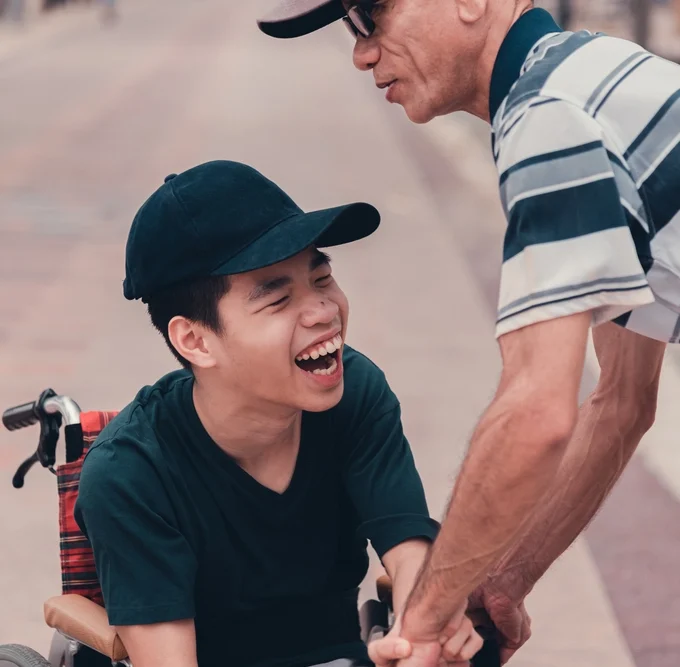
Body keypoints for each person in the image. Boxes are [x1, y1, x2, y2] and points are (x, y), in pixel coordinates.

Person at [256, 1, 680, 664]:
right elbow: (623, 399)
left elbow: (535, 412)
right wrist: (503, 578)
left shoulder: (548, 120)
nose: (361, 53)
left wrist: (422, 622)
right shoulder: (588, 79)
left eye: (372, 17)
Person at [73, 160, 483, 667]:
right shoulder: (130, 474)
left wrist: (422, 630)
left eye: (322, 277)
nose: (323, 311)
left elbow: (407, 544)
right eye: (279, 299)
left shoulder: (355, 394)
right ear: (195, 340)